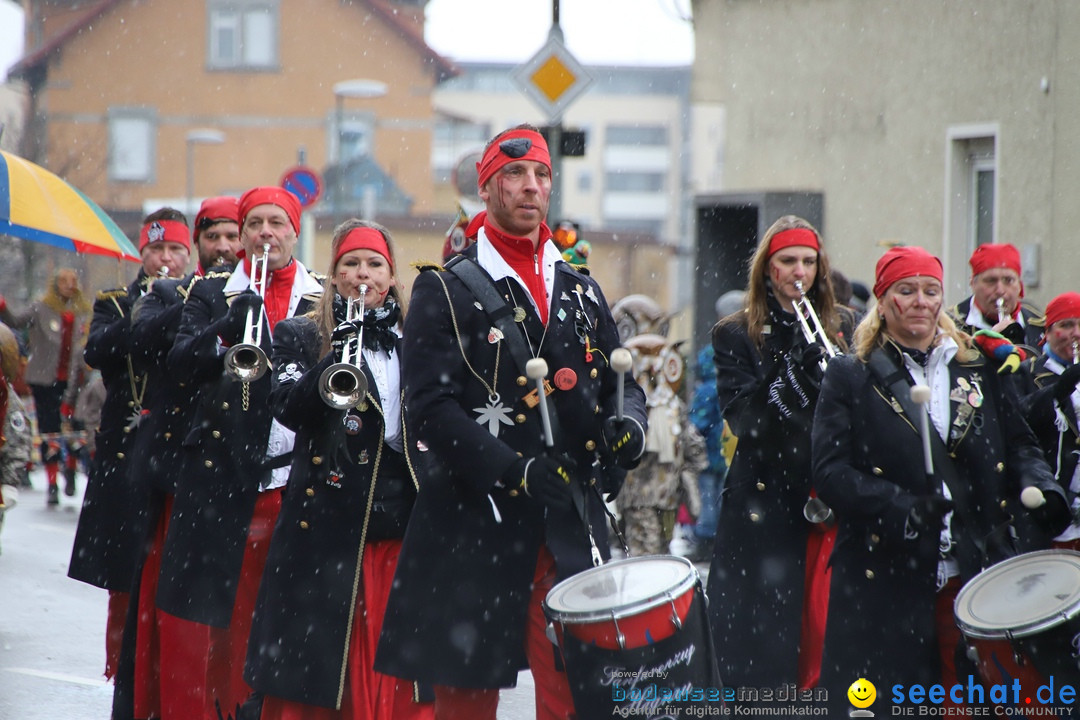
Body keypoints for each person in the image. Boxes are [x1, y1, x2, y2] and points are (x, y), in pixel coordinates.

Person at [375, 124, 647, 720]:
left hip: (566, 523)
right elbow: (430, 408)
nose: (531, 186)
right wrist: (515, 470)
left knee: (575, 695)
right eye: (515, 175)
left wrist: (626, 427)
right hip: (472, 522)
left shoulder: (581, 288)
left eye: (542, 175)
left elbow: (624, 388)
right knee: (466, 706)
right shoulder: (442, 290)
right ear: (488, 187)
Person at [812, 246, 1068, 711]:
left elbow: (1020, 445)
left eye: (930, 291)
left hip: (969, 574)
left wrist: (1041, 485)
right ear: (884, 301)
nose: (920, 301)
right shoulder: (851, 375)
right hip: (883, 575)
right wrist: (899, 506)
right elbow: (830, 472)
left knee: (962, 701)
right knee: (889, 704)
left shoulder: (977, 366)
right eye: (905, 291)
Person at [244, 220, 432, 720]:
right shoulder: (301, 333)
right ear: (334, 275)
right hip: (325, 527)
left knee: (397, 677)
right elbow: (285, 404)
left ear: (391, 276)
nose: (362, 275)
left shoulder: (418, 336)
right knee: (321, 673)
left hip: (400, 524)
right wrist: (330, 363)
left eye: (374, 264)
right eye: (350, 264)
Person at [156, 187, 323, 719]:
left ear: (295, 233)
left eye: (277, 223)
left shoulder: (320, 297)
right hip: (223, 478)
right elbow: (180, 363)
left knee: (278, 619)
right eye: (255, 224)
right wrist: (224, 326)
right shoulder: (209, 292)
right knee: (219, 621)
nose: (265, 233)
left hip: (290, 476)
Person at [706, 215, 850, 693]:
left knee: (821, 632)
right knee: (758, 642)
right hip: (761, 501)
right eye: (787, 261)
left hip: (822, 491)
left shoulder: (844, 324)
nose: (799, 273)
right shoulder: (735, 333)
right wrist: (791, 372)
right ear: (767, 269)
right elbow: (745, 422)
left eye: (809, 262)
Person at [116, 196, 241, 720]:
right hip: (180, 469)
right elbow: (138, 343)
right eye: (212, 238)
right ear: (198, 245)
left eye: (233, 236)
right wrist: (199, 302)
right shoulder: (171, 291)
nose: (224, 248)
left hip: (245, 469)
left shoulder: (286, 296)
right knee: (170, 605)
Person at [68, 208, 192, 682]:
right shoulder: (116, 300)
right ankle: (123, 670)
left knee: (170, 564)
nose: (166, 259)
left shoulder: (199, 300)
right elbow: (97, 352)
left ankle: (165, 669)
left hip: (174, 447)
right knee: (124, 570)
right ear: (143, 253)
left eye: (175, 250)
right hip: (124, 451)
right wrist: (140, 317)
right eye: (157, 250)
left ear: (188, 255)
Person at [0, 267, 91, 504]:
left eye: (73, 280)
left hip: (75, 377)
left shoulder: (84, 311)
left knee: (75, 427)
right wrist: (3, 307)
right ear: (55, 284)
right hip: (45, 379)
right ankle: (52, 483)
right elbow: (15, 321)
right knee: (50, 428)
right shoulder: (41, 308)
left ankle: (70, 469)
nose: (69, 285)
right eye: (64, 280)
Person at [685, 290, 745, 562]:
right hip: (731, 449)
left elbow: (697, 420)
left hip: (710, 453)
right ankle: (723, 540)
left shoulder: (708, 387)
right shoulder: (742, 365)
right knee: (723, 497)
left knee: (708, 497)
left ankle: (707, 540)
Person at [1020, 291, 1080, 551]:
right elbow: (1021, 420)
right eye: (1066, 325)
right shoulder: (1027, 373)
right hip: (1054, 512)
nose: (1076, 333)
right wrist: (1060, 388)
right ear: (1048, 331)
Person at [949, 243, 1044, 352]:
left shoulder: (1040, 324)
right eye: (991, 281)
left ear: (1019, 285)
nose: (1000, 290)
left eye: (1009, 280)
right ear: (973, 284)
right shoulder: (951, 325)